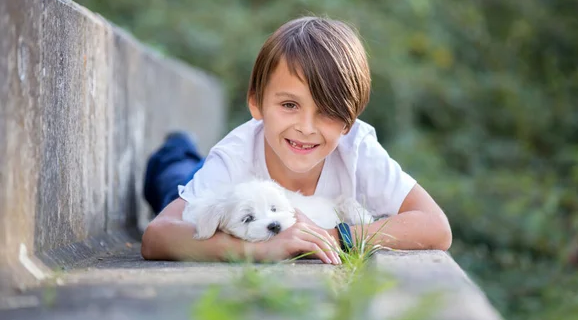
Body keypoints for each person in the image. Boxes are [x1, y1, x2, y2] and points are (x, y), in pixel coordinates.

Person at [141, 16, 452, 265]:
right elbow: (157, 236)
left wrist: (331, 236)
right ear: (256, 103)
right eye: (289, 105)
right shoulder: (234, 156)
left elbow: (436, 226)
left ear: (349, 120)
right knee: (176, 176)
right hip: (209, 194)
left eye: (328, 112)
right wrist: (264, 250)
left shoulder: (357, 147)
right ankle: (176, 148)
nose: (306, 127)